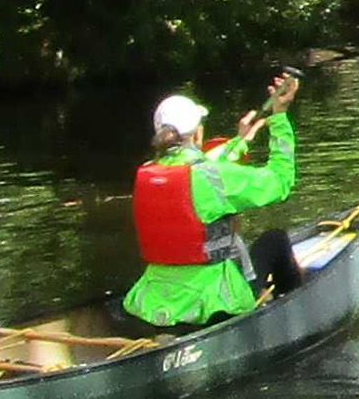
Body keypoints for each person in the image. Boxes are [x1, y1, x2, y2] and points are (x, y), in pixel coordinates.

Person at [122, 71, 305, 332]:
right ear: (197, 133)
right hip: (209, 303)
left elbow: (204, 166)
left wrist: (240, 141)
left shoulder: (149, 173)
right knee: (276, 240)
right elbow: (280, 181)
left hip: (152, 301)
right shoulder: (211, 178)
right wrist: (279, 117)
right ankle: (294, 319)